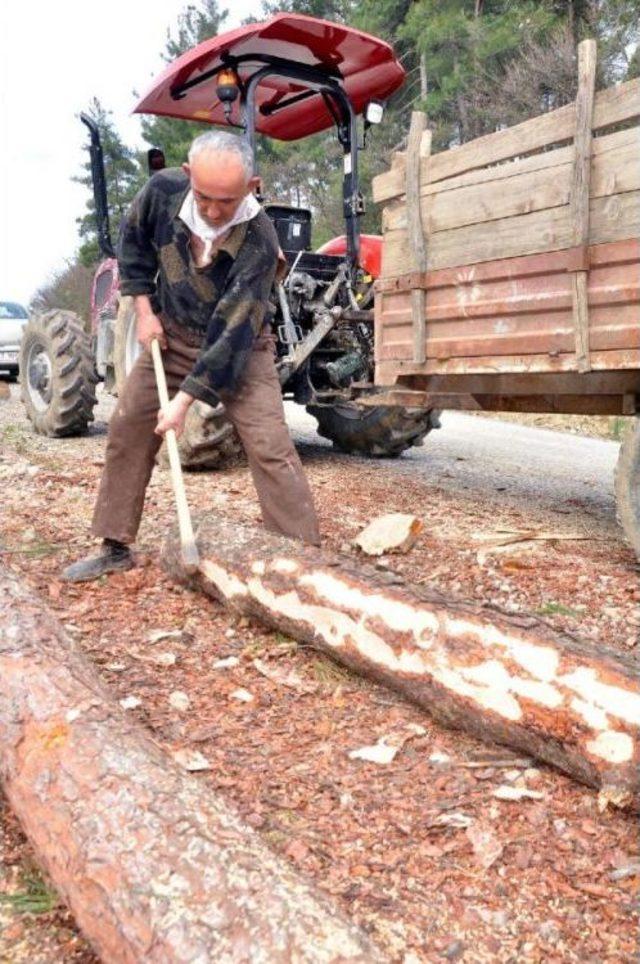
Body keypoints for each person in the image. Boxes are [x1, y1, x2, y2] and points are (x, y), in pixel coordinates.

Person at [63, 131, 320, 582]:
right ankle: (115, 544)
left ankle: (303, 563)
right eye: (204, 198)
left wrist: (183, 402)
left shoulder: (259, 238)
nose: (214, 211)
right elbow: (134, 246)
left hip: (242, 347)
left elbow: (231, 333)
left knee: (270, 446)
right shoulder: (161, 193)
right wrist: (143, 311)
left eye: (227, 200)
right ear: (187, 176)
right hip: (173, 333)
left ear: (251, 186)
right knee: (127, 426)